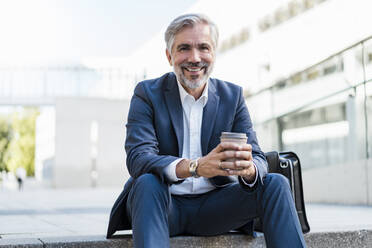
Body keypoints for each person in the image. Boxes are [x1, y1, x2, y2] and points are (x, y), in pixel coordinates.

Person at [107, 13, 306, 248]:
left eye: (203, 47)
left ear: (213, 54)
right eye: (184, 48)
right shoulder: (147, 93)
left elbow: (259, 159)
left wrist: (250, 169)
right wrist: (195, 167)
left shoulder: (232, 96)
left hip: (216, 208)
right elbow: (139, 158)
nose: (194, 58)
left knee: (276, 184)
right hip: (161, 206)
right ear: (169, 55)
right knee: (147, 182)